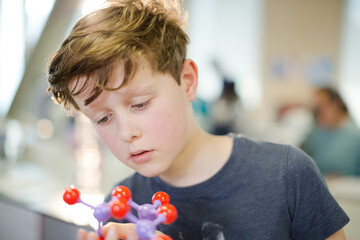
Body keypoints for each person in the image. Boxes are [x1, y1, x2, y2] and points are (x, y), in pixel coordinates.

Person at [46, 0, 349, 239]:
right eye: (102, 118)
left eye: (139, 104)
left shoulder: (287, 176)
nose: (126, 132)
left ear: (188, 81)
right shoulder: (121, 207)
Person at [301, 87, 360, 176]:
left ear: (337, 104)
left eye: (321, 107)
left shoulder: (355, 136)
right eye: (315, 108)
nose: (318, 113)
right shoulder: (314, 134)